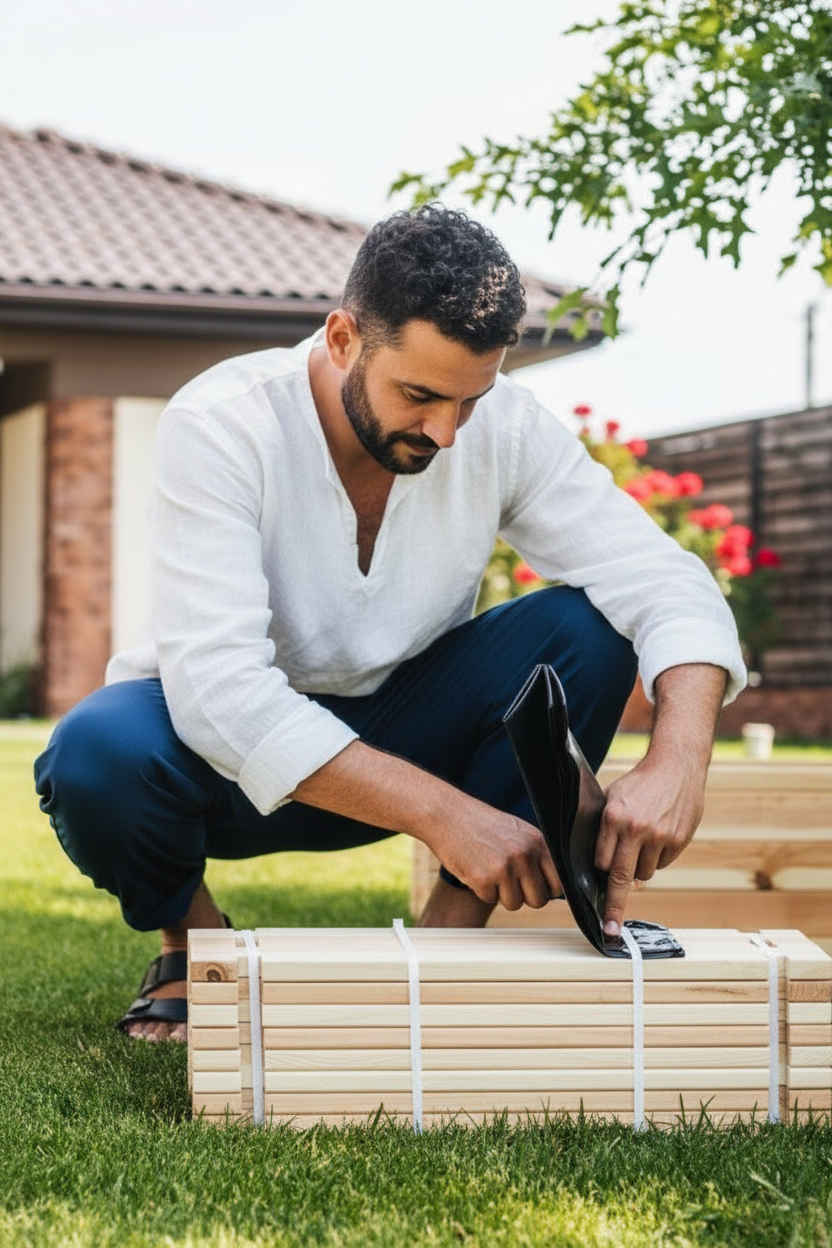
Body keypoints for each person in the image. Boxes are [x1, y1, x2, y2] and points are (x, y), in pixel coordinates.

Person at [34, 206, 745, 1041]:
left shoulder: (504, 426)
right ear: (342, 339)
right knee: (95, 753)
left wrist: (680, 753)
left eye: (468, 400)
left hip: (415, 726)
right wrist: (450, 816)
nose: (445, 431)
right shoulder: (221, 424)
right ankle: (193, 948)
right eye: (419, 395)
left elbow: (659, 576)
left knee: (586, 629)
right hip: (223, 772)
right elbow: (221, 692)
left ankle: (449, 942)